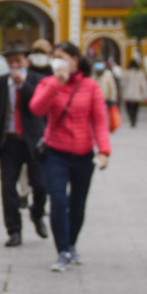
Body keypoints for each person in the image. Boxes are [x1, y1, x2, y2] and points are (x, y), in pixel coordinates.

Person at [27, 43, 111, 271]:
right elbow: (36, 108)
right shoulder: (47, 83)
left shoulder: (90, 86)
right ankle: (62, 249)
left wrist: (104, 150)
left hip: (84, 154)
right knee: (58, 200)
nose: (57, 61)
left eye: (62, 57)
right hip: (55, 152)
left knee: (77, 204)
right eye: (54, 57)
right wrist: (57, 83)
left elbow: (100, 121)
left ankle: (71, 244)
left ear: (75, 60)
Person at [0, 44, 48, 246]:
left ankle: (37, 213)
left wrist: (23, 85)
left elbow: (39, 105)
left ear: (27, 61)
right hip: (8, 143)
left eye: (19, 61)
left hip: (33, 142)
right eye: (12, 62)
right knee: (8, 188)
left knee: (41, 186)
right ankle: (14, 230)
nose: (15, 65)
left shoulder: (38, 81)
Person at [120, 57, 147, 127]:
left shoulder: (126, 73)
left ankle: (131, 118)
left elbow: (123, 84)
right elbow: (144, 85)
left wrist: (121, 93)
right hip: (137, 95)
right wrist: (146, 95)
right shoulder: (140, 73)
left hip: (128, 94)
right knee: (135, 109)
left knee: (128, 108)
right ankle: (134, 119)